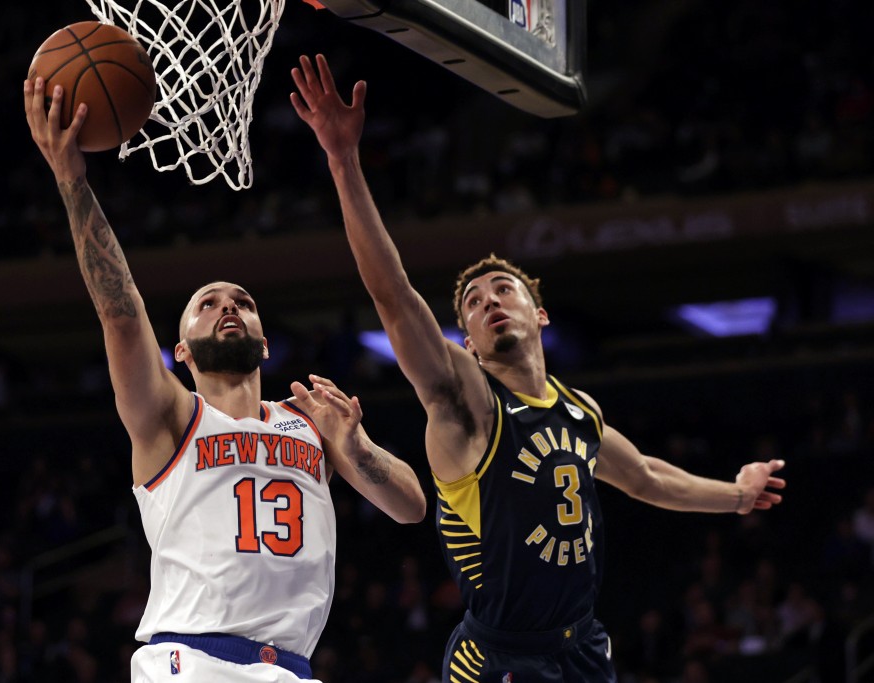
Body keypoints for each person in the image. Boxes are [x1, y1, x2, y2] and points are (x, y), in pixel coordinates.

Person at [290, 54, 788, 682]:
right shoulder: (467, 404)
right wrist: (343, 160)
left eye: (503, 290)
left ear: (540, 314)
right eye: (474, 304)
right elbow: (394, 296)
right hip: (499, 656)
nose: (489, 302)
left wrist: (737, 495)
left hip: (582, 647)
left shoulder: (579, 411)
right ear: (469, 344)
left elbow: (646, 476)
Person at [23, 74, 427, 683]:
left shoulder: (311, 423)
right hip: (191, 661)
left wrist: (358, 446)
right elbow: (121, 313)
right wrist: (71, 179)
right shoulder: (171, 416)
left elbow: (412, 507)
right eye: (207, 304)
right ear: (182, 351)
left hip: (291, 668)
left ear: (264, 342)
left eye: (242, 302)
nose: (228, 306)